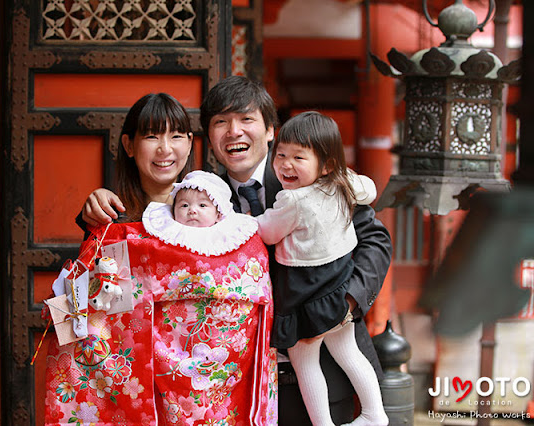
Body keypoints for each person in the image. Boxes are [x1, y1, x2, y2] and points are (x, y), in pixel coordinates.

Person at [80, 76, 392, 424]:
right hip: (242, 386)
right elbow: (143, 241)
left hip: (326, 371)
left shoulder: (311, 176)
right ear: (208, 138)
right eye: (220, 122)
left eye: (246, 119)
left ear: (271, 130)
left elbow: (375, 240)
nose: (234, 132)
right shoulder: (199, 198)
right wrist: (93, 213)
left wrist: (343, 304)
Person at [45, 93, 277, 425]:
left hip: (205, 390)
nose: (165, 148)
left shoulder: (223, 213)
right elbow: (89, 316)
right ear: (129, 144)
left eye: (176, 136)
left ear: (190, 143)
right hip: (133, 384)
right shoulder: (113, 221)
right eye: (152, 135)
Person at [256, 111, 389, 426]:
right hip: (337, 289)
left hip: (306, 293)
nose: (285, 164)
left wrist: (238, 224)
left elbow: (268, 232)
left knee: (304, 361)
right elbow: (368, 188)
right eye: (281, 154)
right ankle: (374, 413)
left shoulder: (293, 201)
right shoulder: (344, 184)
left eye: (298, 157)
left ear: (327, 164)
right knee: (348, 352)